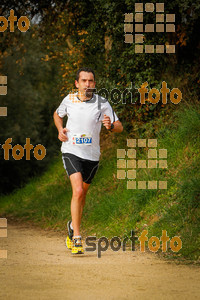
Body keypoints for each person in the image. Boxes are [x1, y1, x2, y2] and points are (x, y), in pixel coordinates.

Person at [53, 67, 123, 254]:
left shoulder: (102, 103)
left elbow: (119, 126)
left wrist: (110, 126)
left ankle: (71, 226)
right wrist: (60, 130)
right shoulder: (69, 100)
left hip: (92, 156)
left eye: (91, 81)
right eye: (84, 81)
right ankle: (77, 237)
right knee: (77, 190)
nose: (88, 84)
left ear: (94, 83)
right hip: (71, 150)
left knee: (82, 195)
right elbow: (57, 115)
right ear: (77, 83)